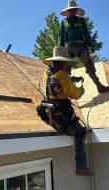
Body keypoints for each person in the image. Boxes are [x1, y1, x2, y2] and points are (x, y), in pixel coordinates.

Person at [40, 46, 92, 176]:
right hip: (63, 117)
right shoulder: (62, 75)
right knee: (81, 133)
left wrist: (71, 79)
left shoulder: (47, 73)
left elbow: (57, 84)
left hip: (50, 114)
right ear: (63, 62)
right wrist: (81, 87)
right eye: (67, 63)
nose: (69, 65)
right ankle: (81, 167)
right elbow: (75, 94)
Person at [59, 0, 109, 93]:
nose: (72, 11)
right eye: (70, 10)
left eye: (74, 10)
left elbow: (87, 34)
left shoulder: (82, 21)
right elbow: (61, 36)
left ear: (76, 10)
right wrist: (60, 51)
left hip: (81, 47)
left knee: (90, 66)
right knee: (65, 68)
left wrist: (90, 47)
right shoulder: (63, 22)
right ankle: (65, 89)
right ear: (67, 11)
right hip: (69, 47)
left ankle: (99, 86)